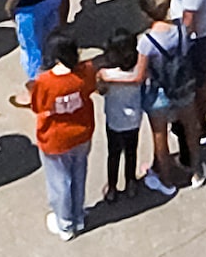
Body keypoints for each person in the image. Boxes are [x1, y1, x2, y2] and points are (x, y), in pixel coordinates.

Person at [18, 32, 97, 239]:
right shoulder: (85, 73)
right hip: (82, 133)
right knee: (79, 173)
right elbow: (92, 88)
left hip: (54, 138)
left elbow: (36, 106)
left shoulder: (45, 82)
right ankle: (78, 216)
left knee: (59, 181)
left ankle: (65, 223)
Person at [135, 0, 202, 192]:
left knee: (160, 137)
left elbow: (140, 75)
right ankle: (196, 171)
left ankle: (166, 180)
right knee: (191, 129)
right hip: (183, 87)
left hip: (159, 93)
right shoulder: (181, 29)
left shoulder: (147, 42)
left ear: (145, 14)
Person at [97, 29, 147, 200]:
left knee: (114, 154)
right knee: (131, 152)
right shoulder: (139, 70)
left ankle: (112, 188)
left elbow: (101, 91)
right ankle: (131, 183)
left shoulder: (106, 74)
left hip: (114, 120)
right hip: (134, 120)